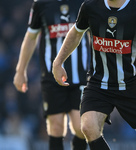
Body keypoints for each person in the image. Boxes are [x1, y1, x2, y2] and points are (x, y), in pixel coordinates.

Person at [52, 0, 136, 149]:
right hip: (98, 84)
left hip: (131, 85)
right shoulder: (90, 6)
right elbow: (76, 33)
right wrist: (58, 62)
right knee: (88, 127)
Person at [13, 0, 89, 150]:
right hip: (51, 76)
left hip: (80, 75)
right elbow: (31, 37)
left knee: (81, 127)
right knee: (56, 126)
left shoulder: (84, 3)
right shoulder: (41, 4)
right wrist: (20, 71)